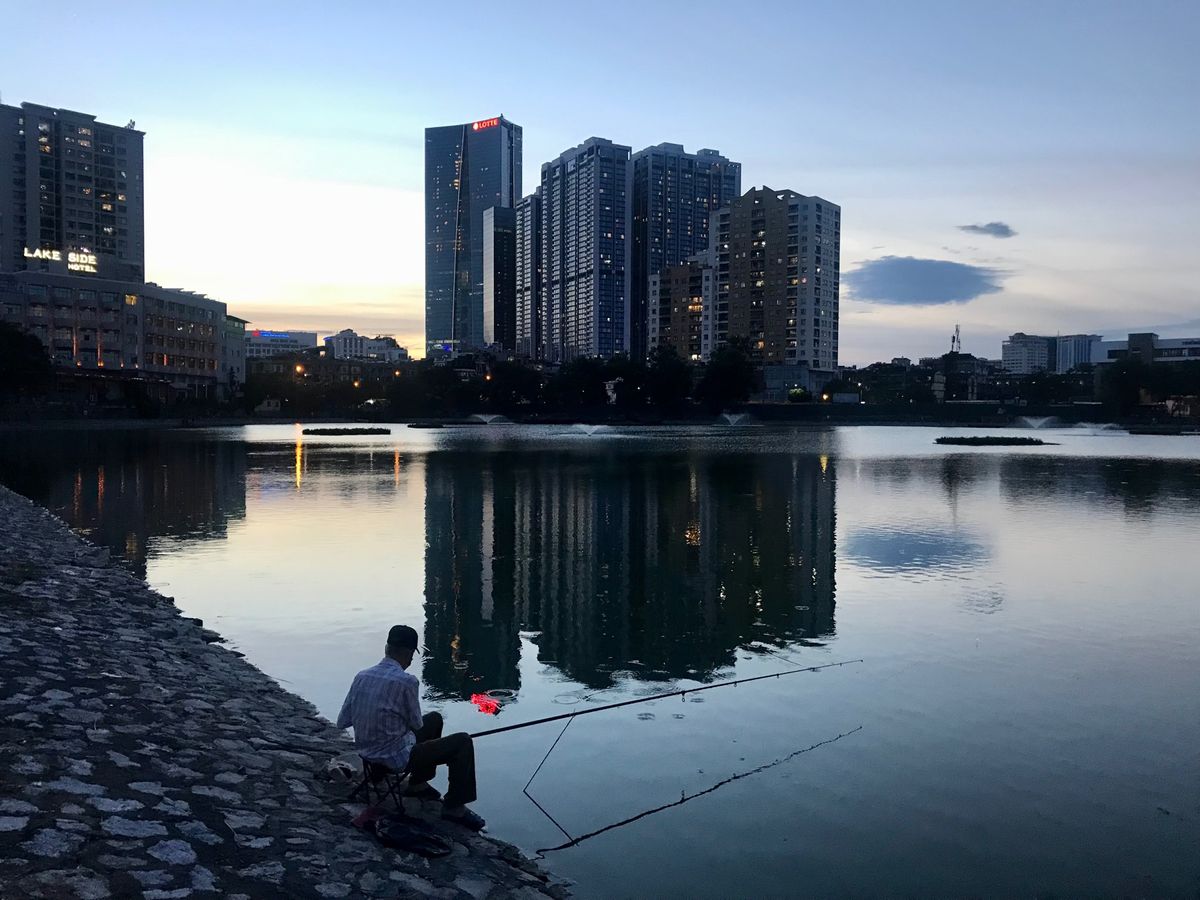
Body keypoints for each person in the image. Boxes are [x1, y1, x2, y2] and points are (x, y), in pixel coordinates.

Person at [337, 624, 485, 831]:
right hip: (394, 758)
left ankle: (418, 784)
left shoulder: (362, 676)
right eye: (412, 656)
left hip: (366, 753)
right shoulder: (407, 681)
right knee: (462, 741)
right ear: (408, 653)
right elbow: (416, 724)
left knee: (434, 718)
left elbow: (342, 721)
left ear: (387, 648)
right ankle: (455, 808)